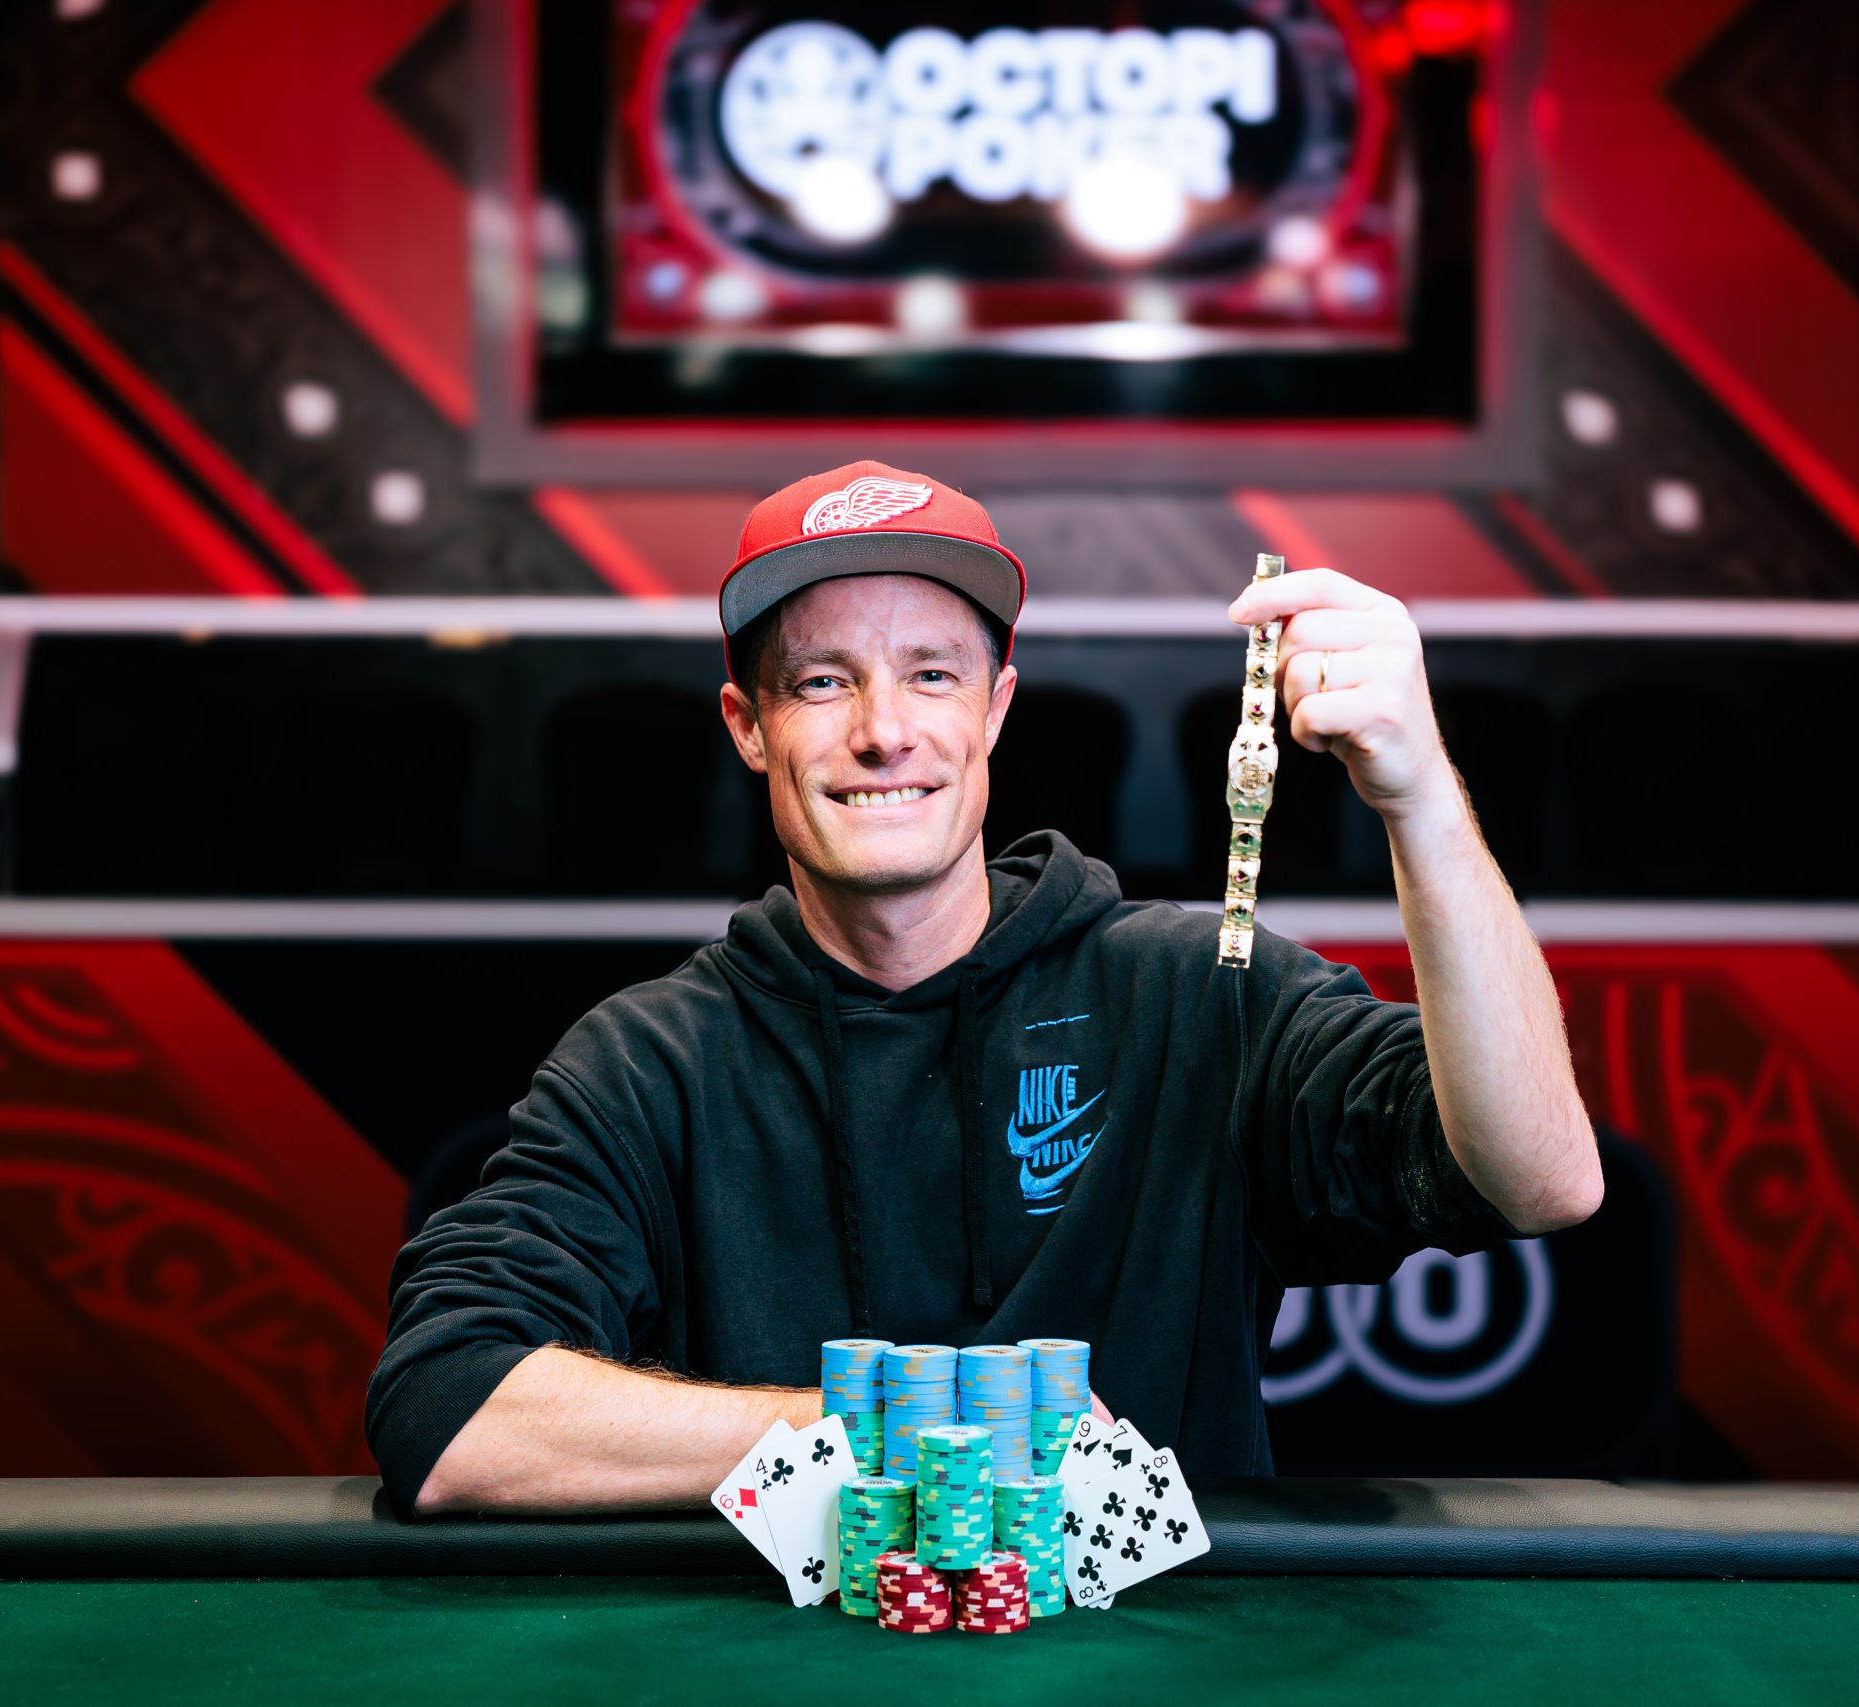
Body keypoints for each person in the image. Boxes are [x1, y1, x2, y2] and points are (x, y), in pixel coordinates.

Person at [368, 461, 1600, 1515]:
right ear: (746, 726)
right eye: (822, 681)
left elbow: (1541, 1180)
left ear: (997, 708)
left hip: (1164, 1678)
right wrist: (900, 1426)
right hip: (780, 1682)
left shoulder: (1194, 995)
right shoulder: (651, 1060)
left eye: (932, 674)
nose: (882, 730)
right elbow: (446, 1410)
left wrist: (1419, 797)